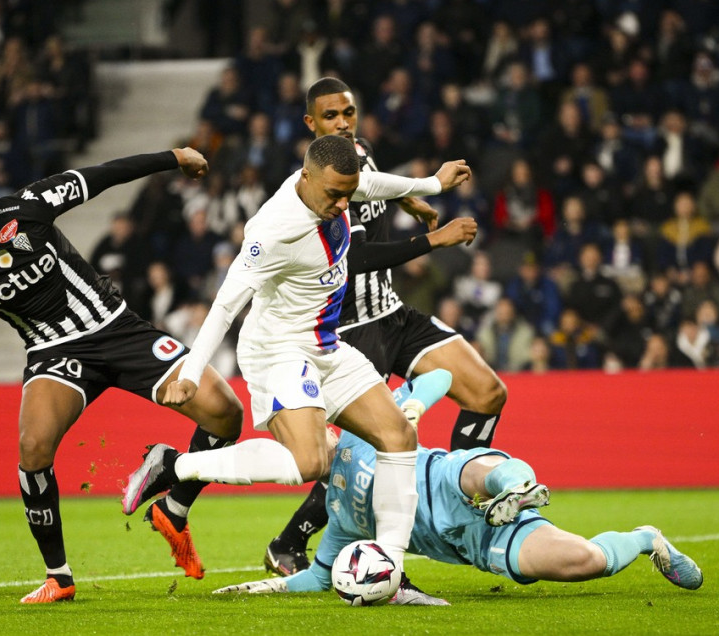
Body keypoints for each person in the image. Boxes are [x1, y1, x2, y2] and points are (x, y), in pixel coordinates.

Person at [0, 148, 246, 603]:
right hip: (54, 354)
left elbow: (102, 174)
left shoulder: (26, 207)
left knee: (227, 414)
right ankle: (59, 576)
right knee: (32, 448)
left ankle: (175, 507)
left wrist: (173, 157)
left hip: (118, 329)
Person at [120, 135, 473, 587]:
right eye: (334, 194)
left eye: (347, 193)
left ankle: (391, 574)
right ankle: (174, 466)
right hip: (278, 348)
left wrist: (430, 185)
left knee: (399, 437)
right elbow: (226, 305)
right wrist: (190, 375)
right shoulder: (273, 231)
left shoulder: (335, 185)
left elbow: (372, 184)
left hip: (325, 344)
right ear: (306, 176)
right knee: (309, 462)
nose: (342, 202)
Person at [262, 77, 508, 579]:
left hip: (394, 314)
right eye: (330, 117)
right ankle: (290, 541)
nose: (343, 123)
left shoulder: (362, 156)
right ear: (312, 124)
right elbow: (354, 259)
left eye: (348, 113)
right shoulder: (314, 189)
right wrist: (431, 239)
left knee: (487, 391)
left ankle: (451, 496)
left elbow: (377, 183)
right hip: (349, 329)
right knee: (366, 453)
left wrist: (409, 199)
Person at [213, 369, 703, 604]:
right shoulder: (339, 517)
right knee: (584, 563)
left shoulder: (365, 427)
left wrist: (411, 408)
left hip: (447, 481)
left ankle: (518, 486)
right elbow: (319, 579)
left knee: (474, 469)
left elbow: (442, 375)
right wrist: (260, 587)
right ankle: (646, 539)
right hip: (473, 540)